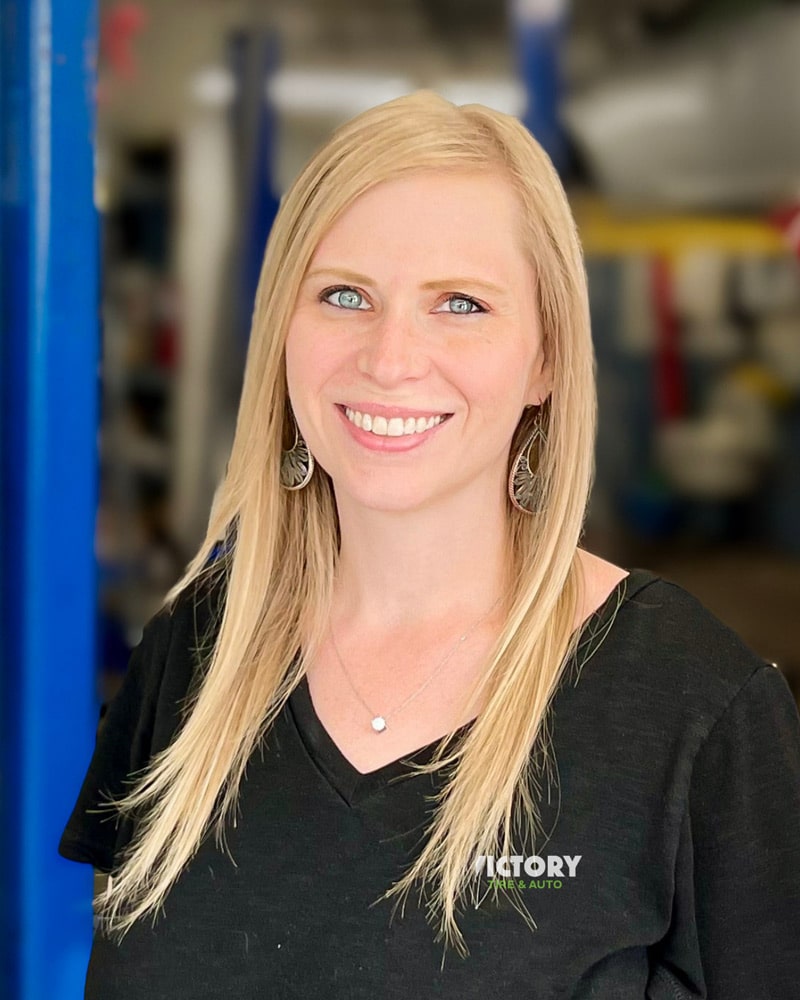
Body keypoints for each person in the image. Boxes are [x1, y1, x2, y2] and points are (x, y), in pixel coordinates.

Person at [59, 91, 800, 999]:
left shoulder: (700, 710)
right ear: (283, 336)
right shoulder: (194, 659)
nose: (390, 357)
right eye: (344, 295)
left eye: (458, 303)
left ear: (547, 359)